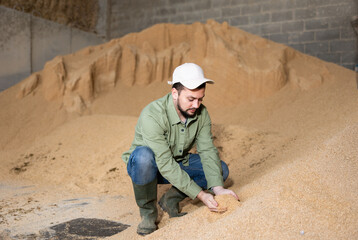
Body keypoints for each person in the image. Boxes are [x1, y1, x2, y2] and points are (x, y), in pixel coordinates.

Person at [122, 63, 239, 236]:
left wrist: (218, 189)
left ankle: (170, 199)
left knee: (220, 170)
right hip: (148, 166)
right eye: (191, 99)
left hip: (178, 161)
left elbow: (207, 150)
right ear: (175, 93)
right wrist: (200, 195)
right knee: (143, 157)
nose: (196, 105)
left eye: (200, 99)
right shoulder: (152, 115)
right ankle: (148, 214)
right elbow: (164, 162)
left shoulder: (201, 113)